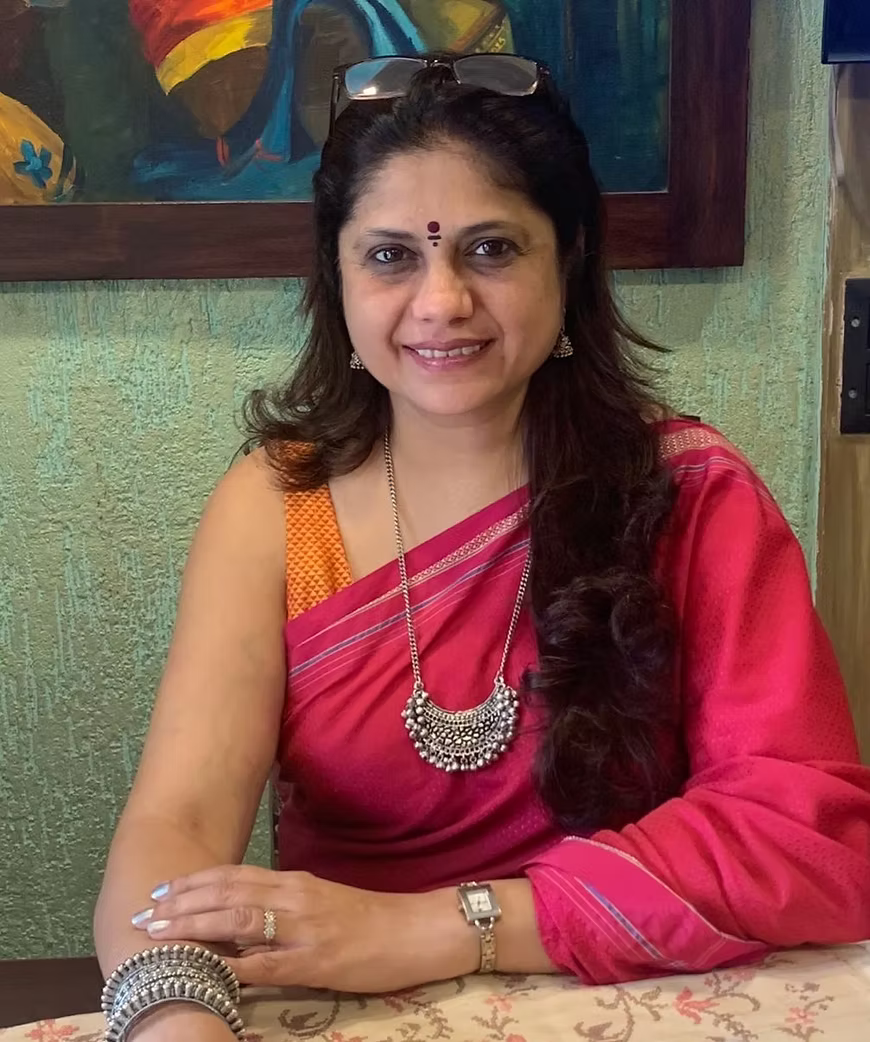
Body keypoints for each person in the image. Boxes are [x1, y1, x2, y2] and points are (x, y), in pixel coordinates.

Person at [94, 53, 870, 1042]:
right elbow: (178, 825)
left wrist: (448, 926)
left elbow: (802, 831)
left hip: (628, 996)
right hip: (348, 1008)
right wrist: (173, 1015)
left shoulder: (688, 495)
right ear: (335, 279)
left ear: (571, 259)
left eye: (492, 248)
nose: (441, 300)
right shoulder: (275, 508)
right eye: (390, 256)